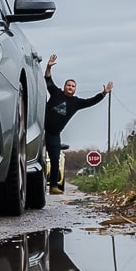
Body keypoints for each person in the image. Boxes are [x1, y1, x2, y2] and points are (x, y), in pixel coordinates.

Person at [41, 54, 110, 193]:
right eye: (68, 85)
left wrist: (103, 93)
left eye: (73, 86)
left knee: (55, 160)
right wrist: (49, 66)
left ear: (75, 89)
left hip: (54, 134)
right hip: (41, 129)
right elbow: (48, 79)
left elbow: (91, 101)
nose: (70, 87)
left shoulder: (76, 102)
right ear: (64, 87)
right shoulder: (55, 93)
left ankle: (53, 187)